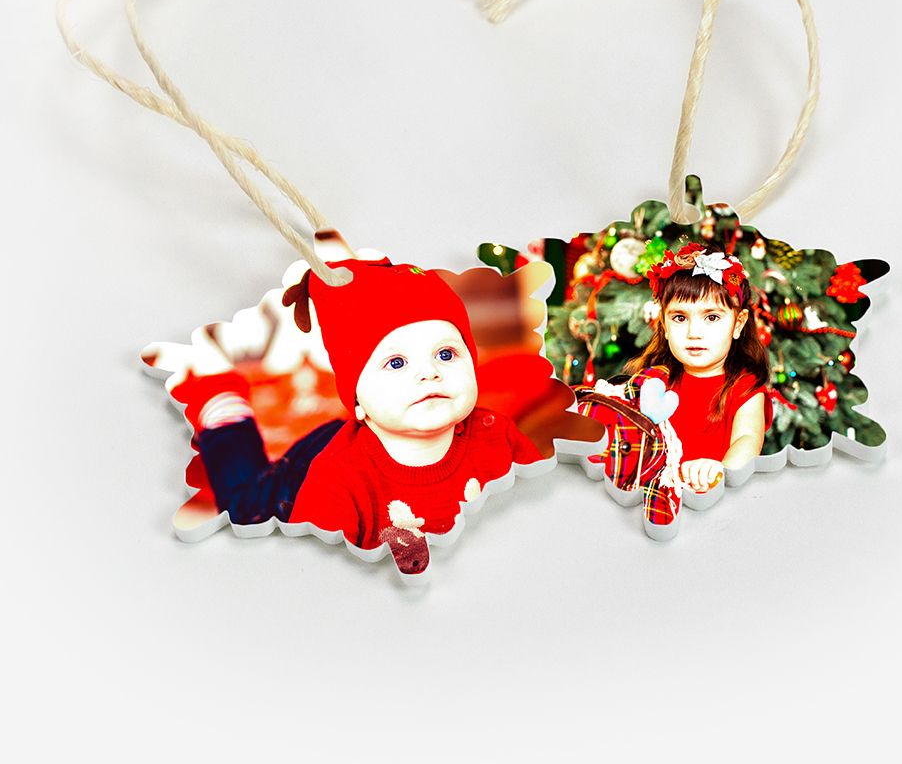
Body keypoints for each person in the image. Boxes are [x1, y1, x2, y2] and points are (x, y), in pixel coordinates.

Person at [176, 257, 543, 575]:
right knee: (248, 505)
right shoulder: (336, 483)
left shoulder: (495, 432)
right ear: (358, 399)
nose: (430, 373)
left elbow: (536, 494)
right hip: (303, 478)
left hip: (367, 428)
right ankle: (226, 414)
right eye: (396, 363)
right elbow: (316, 568)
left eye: (446, 354)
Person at [577, 242, 771, 528]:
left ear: (738, 323)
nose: (694, 332)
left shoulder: (745, 387)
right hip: (648, 502)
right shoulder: (654, 380)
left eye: (712, 317)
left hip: (711, 508)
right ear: (665, 325)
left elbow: (748, 440)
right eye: (680, 318)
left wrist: (720, 471)